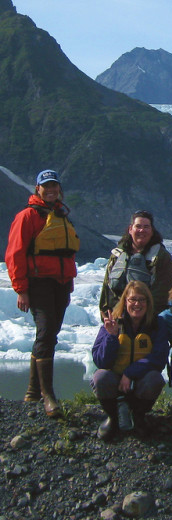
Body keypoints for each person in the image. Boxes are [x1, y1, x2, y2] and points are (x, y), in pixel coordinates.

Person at [6, 169, 80, 418]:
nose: (50, 190)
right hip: (39, 284)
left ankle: (32, 392)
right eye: (45, 186)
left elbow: (67, 252)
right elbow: (15, 254)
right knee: (46, 332)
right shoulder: (28, 216)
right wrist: (21, 289)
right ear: (37, 189)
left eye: (54, 186)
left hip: (60, 284)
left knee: (49, 334)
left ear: (59, 188)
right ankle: (48, 396)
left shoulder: (60, 214)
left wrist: (68, 280)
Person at [91, 281, 169, 441]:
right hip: (115, 380)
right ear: (125, 301)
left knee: (155, 379)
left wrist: (130, 373)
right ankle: (113, 417)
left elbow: (159, 357)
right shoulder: (113, 323)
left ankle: (138, 415)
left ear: (148, 302)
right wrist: (111, 336)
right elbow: (101, 361)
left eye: (142, 300)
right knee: (100, 378)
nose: (137, 304)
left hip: (139, 380)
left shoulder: (156, 324)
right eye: (132, 299)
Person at [99, 210, 172, 316]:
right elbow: (107, 290)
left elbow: (161, 295)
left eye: (146, 227)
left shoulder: (161, 258)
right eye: (138, 226)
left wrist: (142, 319)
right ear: (130, 229)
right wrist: (107, 315)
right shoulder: (117, 255)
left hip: (148, 321)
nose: (142, 230)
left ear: (152, 230)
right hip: (116, 318)